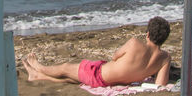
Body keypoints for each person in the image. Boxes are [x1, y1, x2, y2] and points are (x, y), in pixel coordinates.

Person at [22, 16, 172, 89]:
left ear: (147, 34)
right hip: (114, 81)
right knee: (72, 78)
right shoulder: (164, 58)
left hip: (99, 74)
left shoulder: (134, 43)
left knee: (66, 68)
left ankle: (39, 67)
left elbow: (115, 56)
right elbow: (160, 85)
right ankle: (38, 76)